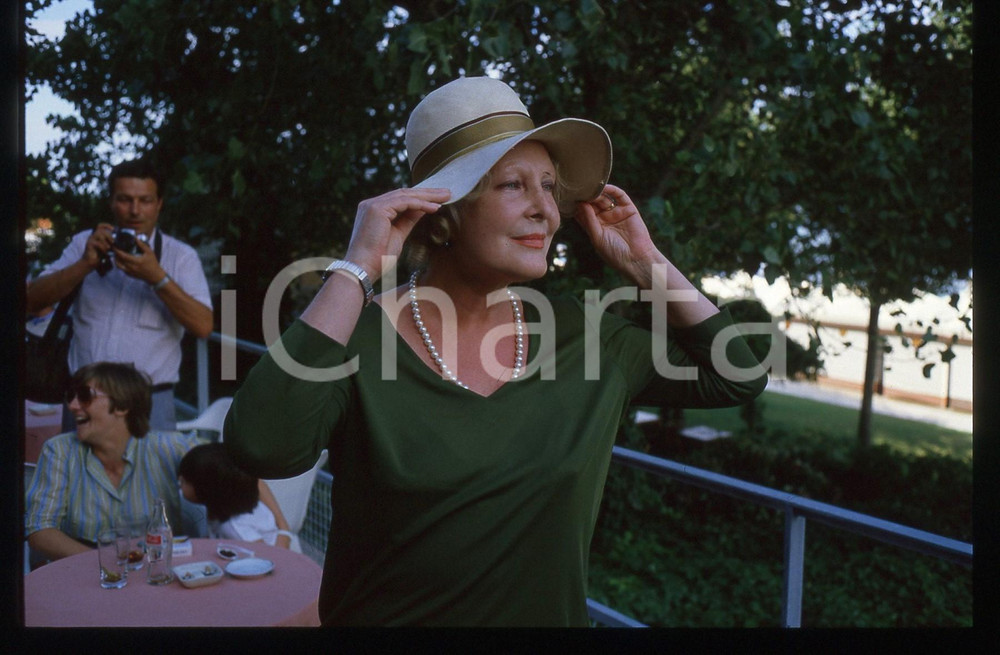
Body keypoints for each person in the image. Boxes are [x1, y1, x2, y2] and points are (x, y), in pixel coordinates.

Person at [223, 76, 769, 626]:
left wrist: (646, 262)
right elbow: (261, 446)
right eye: (513, 185)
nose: (546, 211)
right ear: (444, 211)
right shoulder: (356, 338)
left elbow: (737, 374)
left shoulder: (589, 338)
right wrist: (355, 269)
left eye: (551, 188)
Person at [25, 158, 213, 431]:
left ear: (159, 204)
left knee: (151, 475)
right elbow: (32, 300)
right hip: (84, 398)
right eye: (125, 199)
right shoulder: (84, 244)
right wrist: (84, 264)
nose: (135, 210)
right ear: (111, 202)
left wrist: (157, 277)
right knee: (79, 473)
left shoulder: (180, 257)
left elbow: (204, 325)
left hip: (150, 402)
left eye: (145, 200)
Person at [25, 362, 205, 562]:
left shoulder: (169, 447)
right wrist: (107, 562)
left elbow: (226, 471)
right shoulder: (59, 450)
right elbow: (39, 530)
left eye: (85, 396)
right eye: (71, 396)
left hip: (156, 567)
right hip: (84, 568)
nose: (72, 405)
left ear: (122, 406)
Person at [178, 443, 296, 550]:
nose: (180, 480)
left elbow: (268, 559)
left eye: (186, 480)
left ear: (207, 489)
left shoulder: (234, 528)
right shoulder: (226, 505)